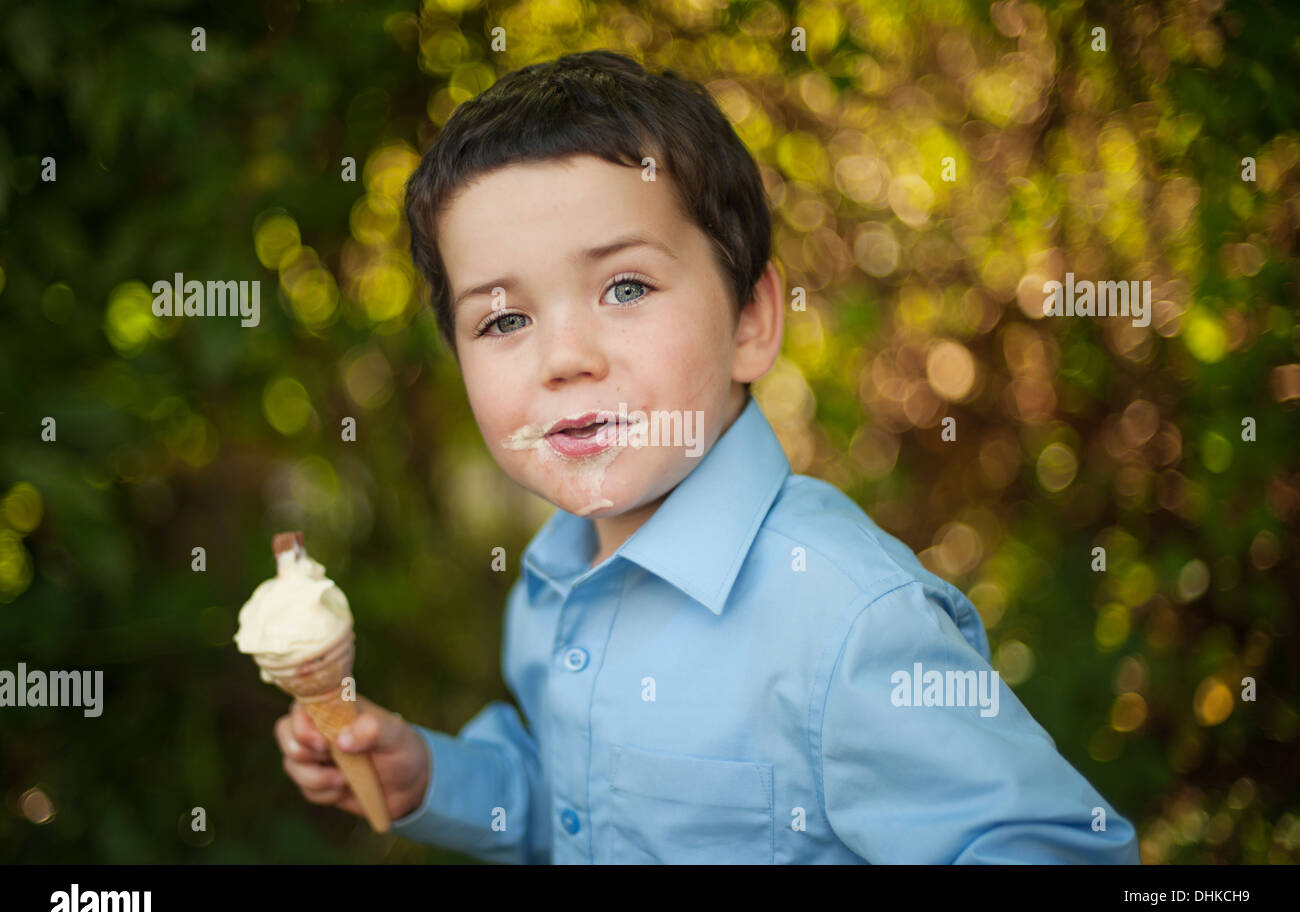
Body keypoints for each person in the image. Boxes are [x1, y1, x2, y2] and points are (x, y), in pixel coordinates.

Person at [275, 49, 1140, 864]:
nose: (563, 357)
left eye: (625, 287)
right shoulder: (553, 585)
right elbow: (580, 809)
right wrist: (434, 778)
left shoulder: (842, 618)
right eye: (504, 319)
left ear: (751, 321)